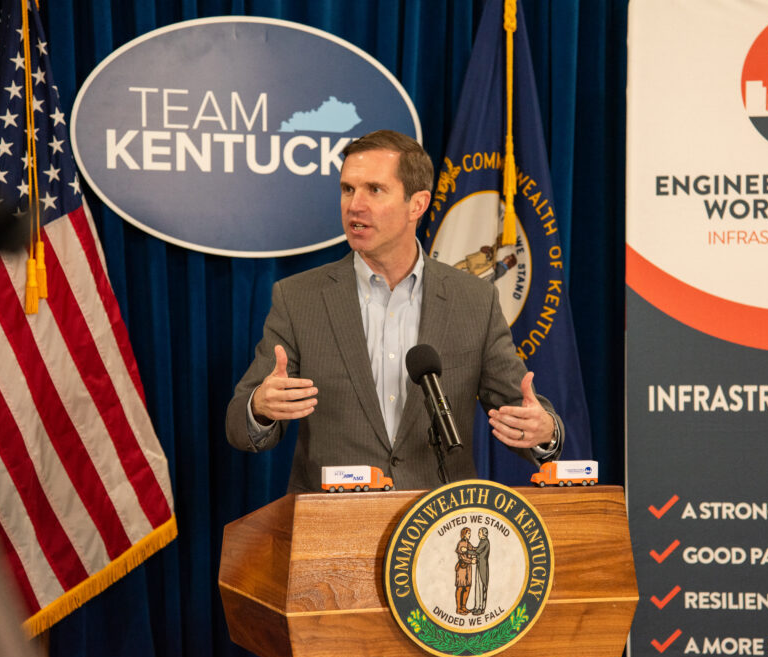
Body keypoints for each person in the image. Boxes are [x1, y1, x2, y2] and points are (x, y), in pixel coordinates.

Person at [225, 129, 563, 492]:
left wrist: (544, 430)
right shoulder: (299, 299)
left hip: (440, 527)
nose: (355, 204)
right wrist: (260, 406)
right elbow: (239, 425)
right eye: (347, 189)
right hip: (333, 528)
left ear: (417, 204)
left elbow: (520, 409)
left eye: (374, 189)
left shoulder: (474, 301)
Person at [454, 527, 476, 614]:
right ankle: (459, 608)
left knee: (467, 587)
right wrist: (471, 561)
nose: (469, 535)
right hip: (462, 568)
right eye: (468, 533)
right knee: (460, 587)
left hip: (468, 568)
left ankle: (464, 607)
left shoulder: (468, 543)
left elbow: (473, 549)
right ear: (464, 534)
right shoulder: (461, 543)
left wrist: (479, 549)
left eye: (470, 533)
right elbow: (462, 557)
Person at [470, 527, 490, 615]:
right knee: (478, 586)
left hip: (482, 567)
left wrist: (466, 551)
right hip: (479, 565)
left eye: (479, 532)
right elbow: (478, 550)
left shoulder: (485, 542)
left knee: (481, 587)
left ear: (483, 534)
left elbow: (477, 551)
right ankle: (477, 606)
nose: (478, 534)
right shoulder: (483, 541)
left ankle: (481, 608)